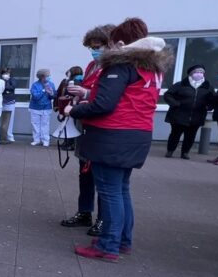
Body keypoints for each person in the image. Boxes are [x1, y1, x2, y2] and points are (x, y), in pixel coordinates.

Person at [67, 17, 170, 262]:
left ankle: (108, 245)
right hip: (138, 134)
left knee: (110, 192)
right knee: (121, 190)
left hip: (113, 135)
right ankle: (122, 240)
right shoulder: (151, 67)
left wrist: (74, 111)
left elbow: (104, 104)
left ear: (121, 43)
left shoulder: (120, 65)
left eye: (110, 44)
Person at [62, 25, 115, 235]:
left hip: (102, 127)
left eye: (98, 46)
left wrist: (85, 92)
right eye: (91, 47)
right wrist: (78, 95)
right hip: (86, 125)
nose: (94, 51)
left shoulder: (114, 68)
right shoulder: (93, 65)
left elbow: (107, 97)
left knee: (102, 176)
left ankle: (103, 219)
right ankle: (84, 211)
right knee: (85, 172)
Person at [163, 64, 214, 159]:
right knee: (175, 134)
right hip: (178, 115)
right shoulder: (181, 84)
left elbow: (212, 99)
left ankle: (185, 152)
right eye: (196, 72)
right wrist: (175, 103)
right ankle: (170, 150)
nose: (199, 74)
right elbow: (168, 95)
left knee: (190, 136)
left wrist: (209, 106)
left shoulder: (208, 86)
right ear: (191, 74)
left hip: (197, 115)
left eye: (201, 72)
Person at [55, 66, 84, 151]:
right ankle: (67, 142)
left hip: (72, 105)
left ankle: (70, 144)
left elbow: (74, 93)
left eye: (70, 71)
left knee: (71, 125)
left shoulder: (76, 81)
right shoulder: (76, 80)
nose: (68, 73)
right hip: (72, 105)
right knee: (68, 124)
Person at [29, 69, 56, 146]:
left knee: (45, 124)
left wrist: (51, 93)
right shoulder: (35, 85)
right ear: (42, 77)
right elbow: (35, 96)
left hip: (46, 107)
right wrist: (44, 90)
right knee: (35, 124)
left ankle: (45, 140)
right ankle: (36, 139)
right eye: (47, 76)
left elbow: (54, 96)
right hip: (35, 107)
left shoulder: (51, 84)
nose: (49, 77)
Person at [0, 67, 17, 143]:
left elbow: (12, 87)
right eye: (4, 73)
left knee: (10, 120)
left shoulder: (12, 80)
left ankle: (9, 135)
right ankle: (1, 135)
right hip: (1, 101)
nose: (5, 75)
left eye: (7, 73)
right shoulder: (0, 80)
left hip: (10, 101)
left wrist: (6, 84)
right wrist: (6, 88)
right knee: (0, 120)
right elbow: (1, 89)